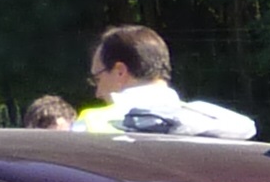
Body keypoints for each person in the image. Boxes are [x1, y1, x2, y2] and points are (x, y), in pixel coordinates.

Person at [80, 25, 256, 140]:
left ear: (120, 71)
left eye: (97, 79)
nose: (97, 93)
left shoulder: (92, 124)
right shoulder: (216, 125)